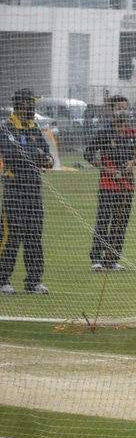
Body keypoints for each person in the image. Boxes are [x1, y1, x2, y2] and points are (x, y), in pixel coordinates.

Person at [0, 89, 53, 295]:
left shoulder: (34, 128)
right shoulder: (6, 127)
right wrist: (37, 154)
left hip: (34, 189)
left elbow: (46, 153)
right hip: (14, 190)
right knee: (11, 235)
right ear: (23, 105)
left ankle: (34, 281)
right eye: (32, 103)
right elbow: (13, 155)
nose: (34, 107)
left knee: (34, 236)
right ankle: (2, 280)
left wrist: (45, 158)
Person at [84, 95, 136, 272]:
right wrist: (105, 169)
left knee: (120, 224)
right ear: (111, 111)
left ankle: (113, 259)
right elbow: (88, 155)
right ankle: (96, 259)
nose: (123, 111)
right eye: (119, 108)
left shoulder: (134, 133)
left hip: (127, 186)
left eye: (125, 108)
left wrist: (133, 163)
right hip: (107, 185)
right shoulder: (104, 133)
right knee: (103, 221)